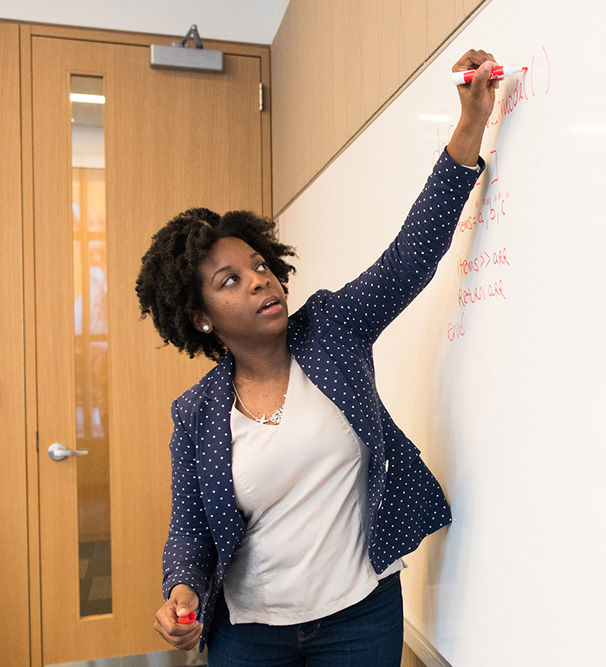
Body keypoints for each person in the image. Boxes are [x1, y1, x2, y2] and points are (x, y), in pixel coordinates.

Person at [138, 49, 499, 666]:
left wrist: (469, 125)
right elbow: (189, 529)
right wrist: (180, 592)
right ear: (199, 318)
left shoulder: (332, 329)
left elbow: (411, 255)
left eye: (258, 265)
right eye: (228, 281)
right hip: (251, 634)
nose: (257, 281)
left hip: (361, 613)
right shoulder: (196, 415)